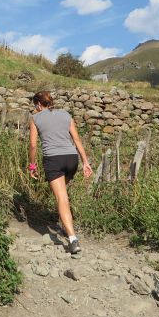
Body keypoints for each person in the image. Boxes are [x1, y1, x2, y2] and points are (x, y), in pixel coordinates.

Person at [28, 91, 93, 254]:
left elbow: (33, 145)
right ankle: (65, 224)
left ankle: (72, 239)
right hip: (71, 159)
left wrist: (32, 165)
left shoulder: (35, 118)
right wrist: (85, 162)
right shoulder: (66, 115)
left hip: (53, 160)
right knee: (63, 194)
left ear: (38, 104)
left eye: (34, 106)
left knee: (61, 197)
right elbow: (77, 139)